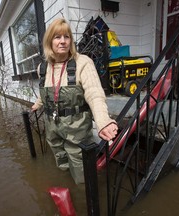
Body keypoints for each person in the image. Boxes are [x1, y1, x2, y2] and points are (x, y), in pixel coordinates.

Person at [31, 18, 118, 184]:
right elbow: (45, 92)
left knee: (81, 168)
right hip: (52, 125)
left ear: (71, 40)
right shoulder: (42, 68)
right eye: (57, 37)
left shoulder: (83, 62)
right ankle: (67, 185)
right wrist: (37, 104)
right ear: (50, 41)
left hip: (76, 127)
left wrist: (103, 121)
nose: (63, 41)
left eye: (66, 36)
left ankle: (83, 196)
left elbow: (95, 94)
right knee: (59, 158)